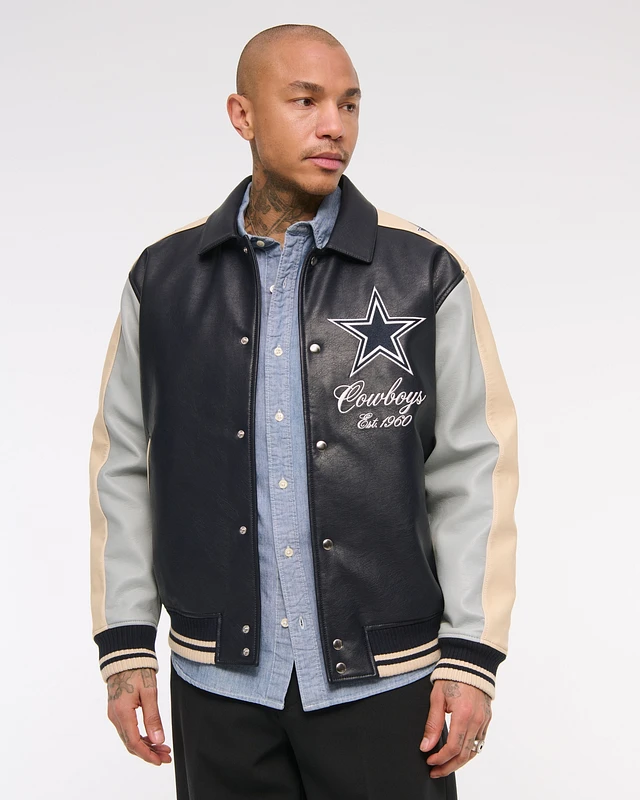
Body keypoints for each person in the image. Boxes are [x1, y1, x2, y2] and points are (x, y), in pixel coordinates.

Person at [89, 23, 519, 800]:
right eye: (306, 101)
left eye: (350, 104)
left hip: (386, 682)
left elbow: (475, 467)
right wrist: (126, 647)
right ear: (243, 114)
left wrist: (471, 656)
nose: (335, 126)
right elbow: (125, 464)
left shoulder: (424, 272)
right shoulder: (163, 279)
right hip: (219, 684)